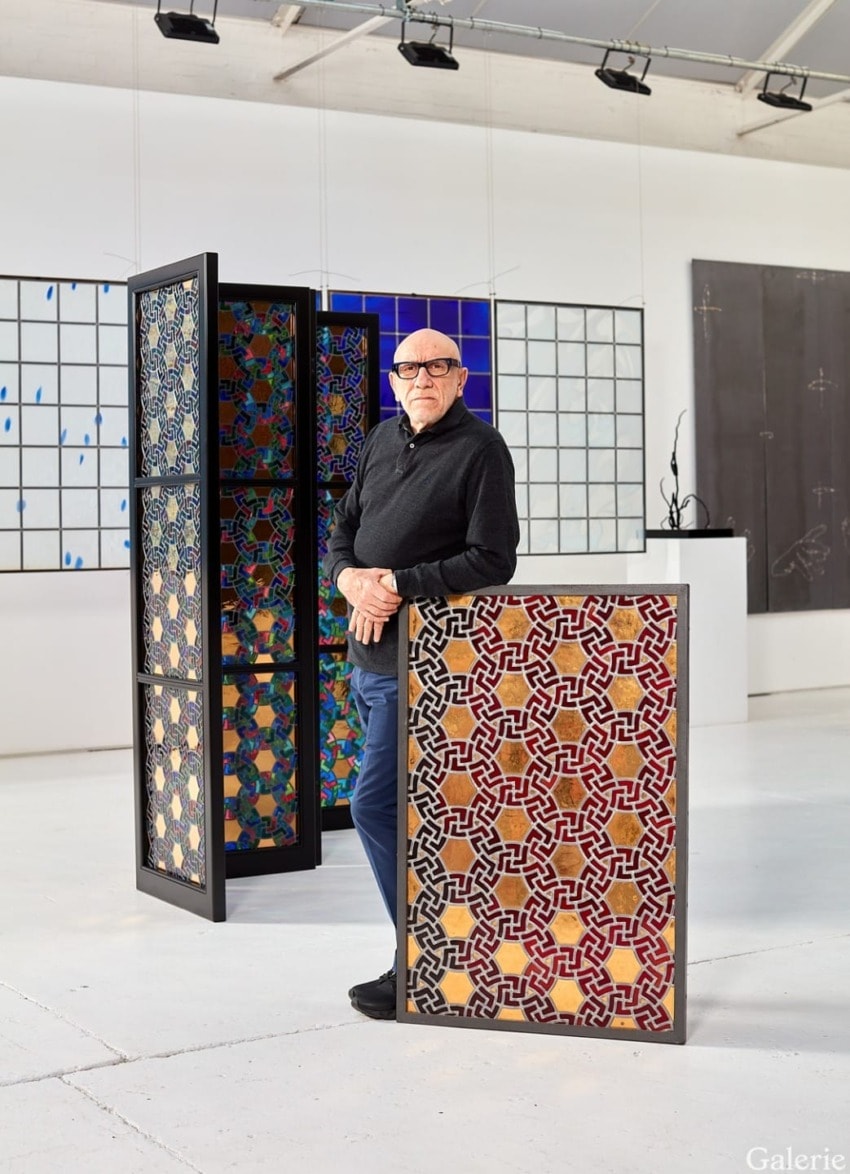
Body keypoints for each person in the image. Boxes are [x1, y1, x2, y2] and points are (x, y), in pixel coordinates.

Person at [323, 327, 520, 1020]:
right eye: (409, 368)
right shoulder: (380, 440)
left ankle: (425, 959)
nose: (422, 378)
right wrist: (350, 579)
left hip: (432, 666)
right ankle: (444, 953)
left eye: (438, 367)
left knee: (375, 806)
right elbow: (342, 529)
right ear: (394, 379)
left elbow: (493, 559)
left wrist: (397, 584)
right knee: (412, 813)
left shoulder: (482, 451)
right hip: (370, 659)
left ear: (461, 379)